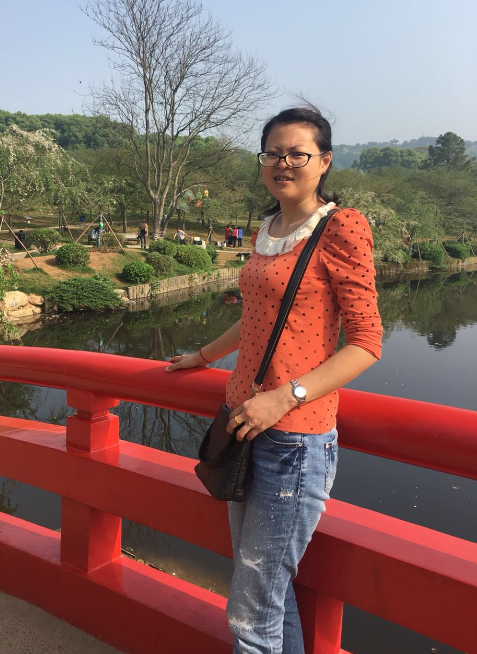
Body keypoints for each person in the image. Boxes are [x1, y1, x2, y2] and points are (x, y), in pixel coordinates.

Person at [165, 105, 382, 654]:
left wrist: (286, 398)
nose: (282, 163)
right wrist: (202, 355)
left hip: (294, 441)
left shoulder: (341, 226)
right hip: (243, 424)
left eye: (297, 154)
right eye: (272, 153)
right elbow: (258, 316)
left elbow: (366, 342)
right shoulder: (269, 229)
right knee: (265, 592)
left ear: (324, 161)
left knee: (251, 608)